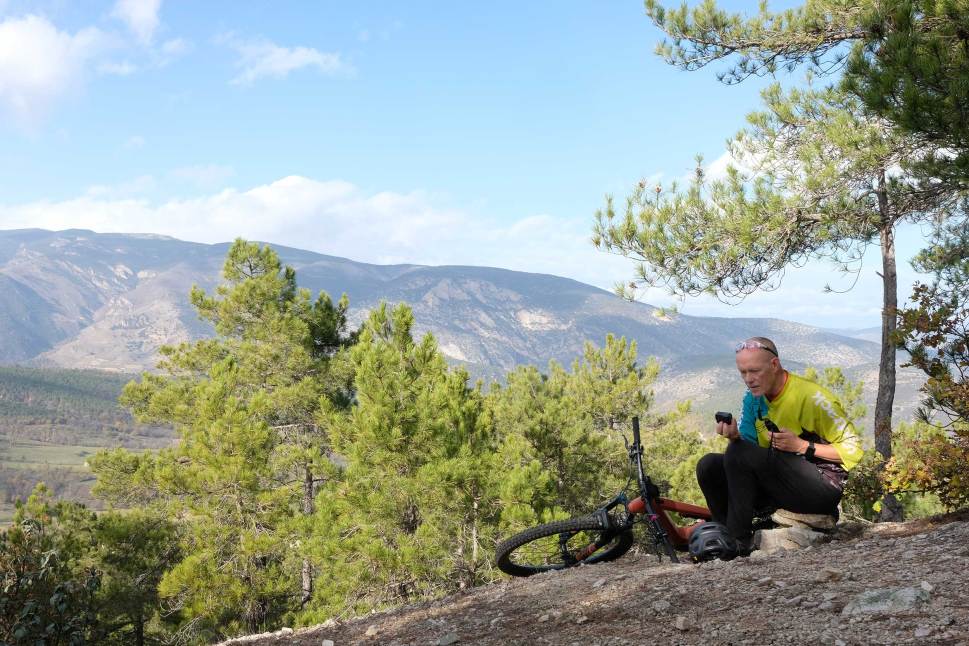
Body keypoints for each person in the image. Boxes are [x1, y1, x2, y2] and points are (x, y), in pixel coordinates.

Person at [695, 337, 864, 555]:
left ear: (774, 365)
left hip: (821, 488)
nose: (749, 379)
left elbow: (854, 451)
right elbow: (746, 453)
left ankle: (738, 540)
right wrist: (735, 436)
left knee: (738, 452)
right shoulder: (753, 399)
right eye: (743, 372)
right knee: (709, 465)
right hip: (779, 484)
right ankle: (723, 535)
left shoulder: (813, 398)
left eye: (754, 371)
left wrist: (802, 446)